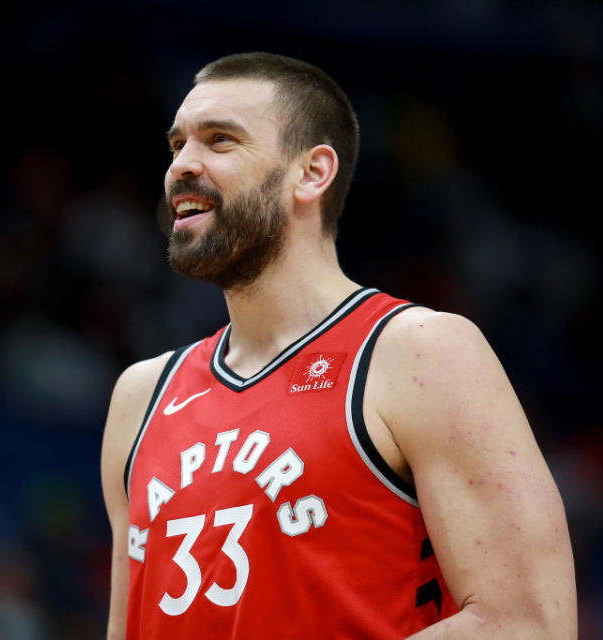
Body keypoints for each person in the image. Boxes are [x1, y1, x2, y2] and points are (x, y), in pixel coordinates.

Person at [100, 52, 576, 639]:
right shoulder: (140, 395)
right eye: (177, 146)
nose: (182, 166)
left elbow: (528, 623)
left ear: (312, 173)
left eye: (219, 141)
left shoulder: (418, 353)